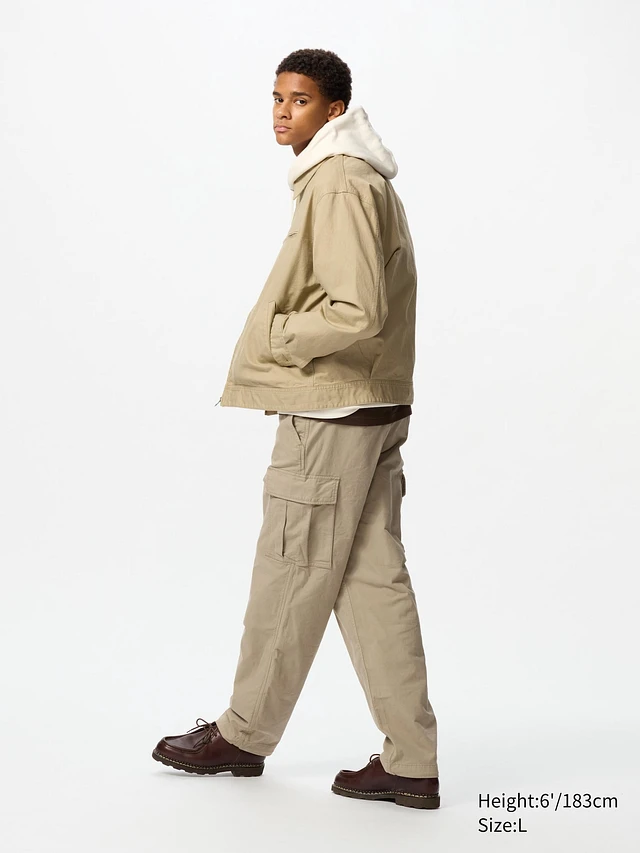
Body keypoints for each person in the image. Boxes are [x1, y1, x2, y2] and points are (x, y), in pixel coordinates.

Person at [152, 48, 440, 810]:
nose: (284, 112)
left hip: (332, 413)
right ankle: (412, 760)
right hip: (371, 403)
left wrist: (278, 336)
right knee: (371, 579)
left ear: (335, 109)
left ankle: (243, 734)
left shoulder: (339, 178)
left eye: (301, 100)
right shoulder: (354, 174)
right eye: (277, 98)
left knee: (289, 566)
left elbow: (357, 311)